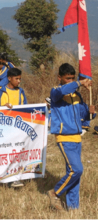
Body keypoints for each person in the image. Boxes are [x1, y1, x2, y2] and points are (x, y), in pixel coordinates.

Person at [47, 63, 95, 211]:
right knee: (77, 170)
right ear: (59, 78)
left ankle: (73, 208)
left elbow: (83, 115)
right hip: (64, 137)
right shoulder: (56, 92)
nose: (70, 81)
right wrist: (80, 82)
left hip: (77, 138)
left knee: (74, 174)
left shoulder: (77, 96)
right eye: (67, 79)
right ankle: (55, 192)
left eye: (72, 79)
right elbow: (64, 90)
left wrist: (91, 112)